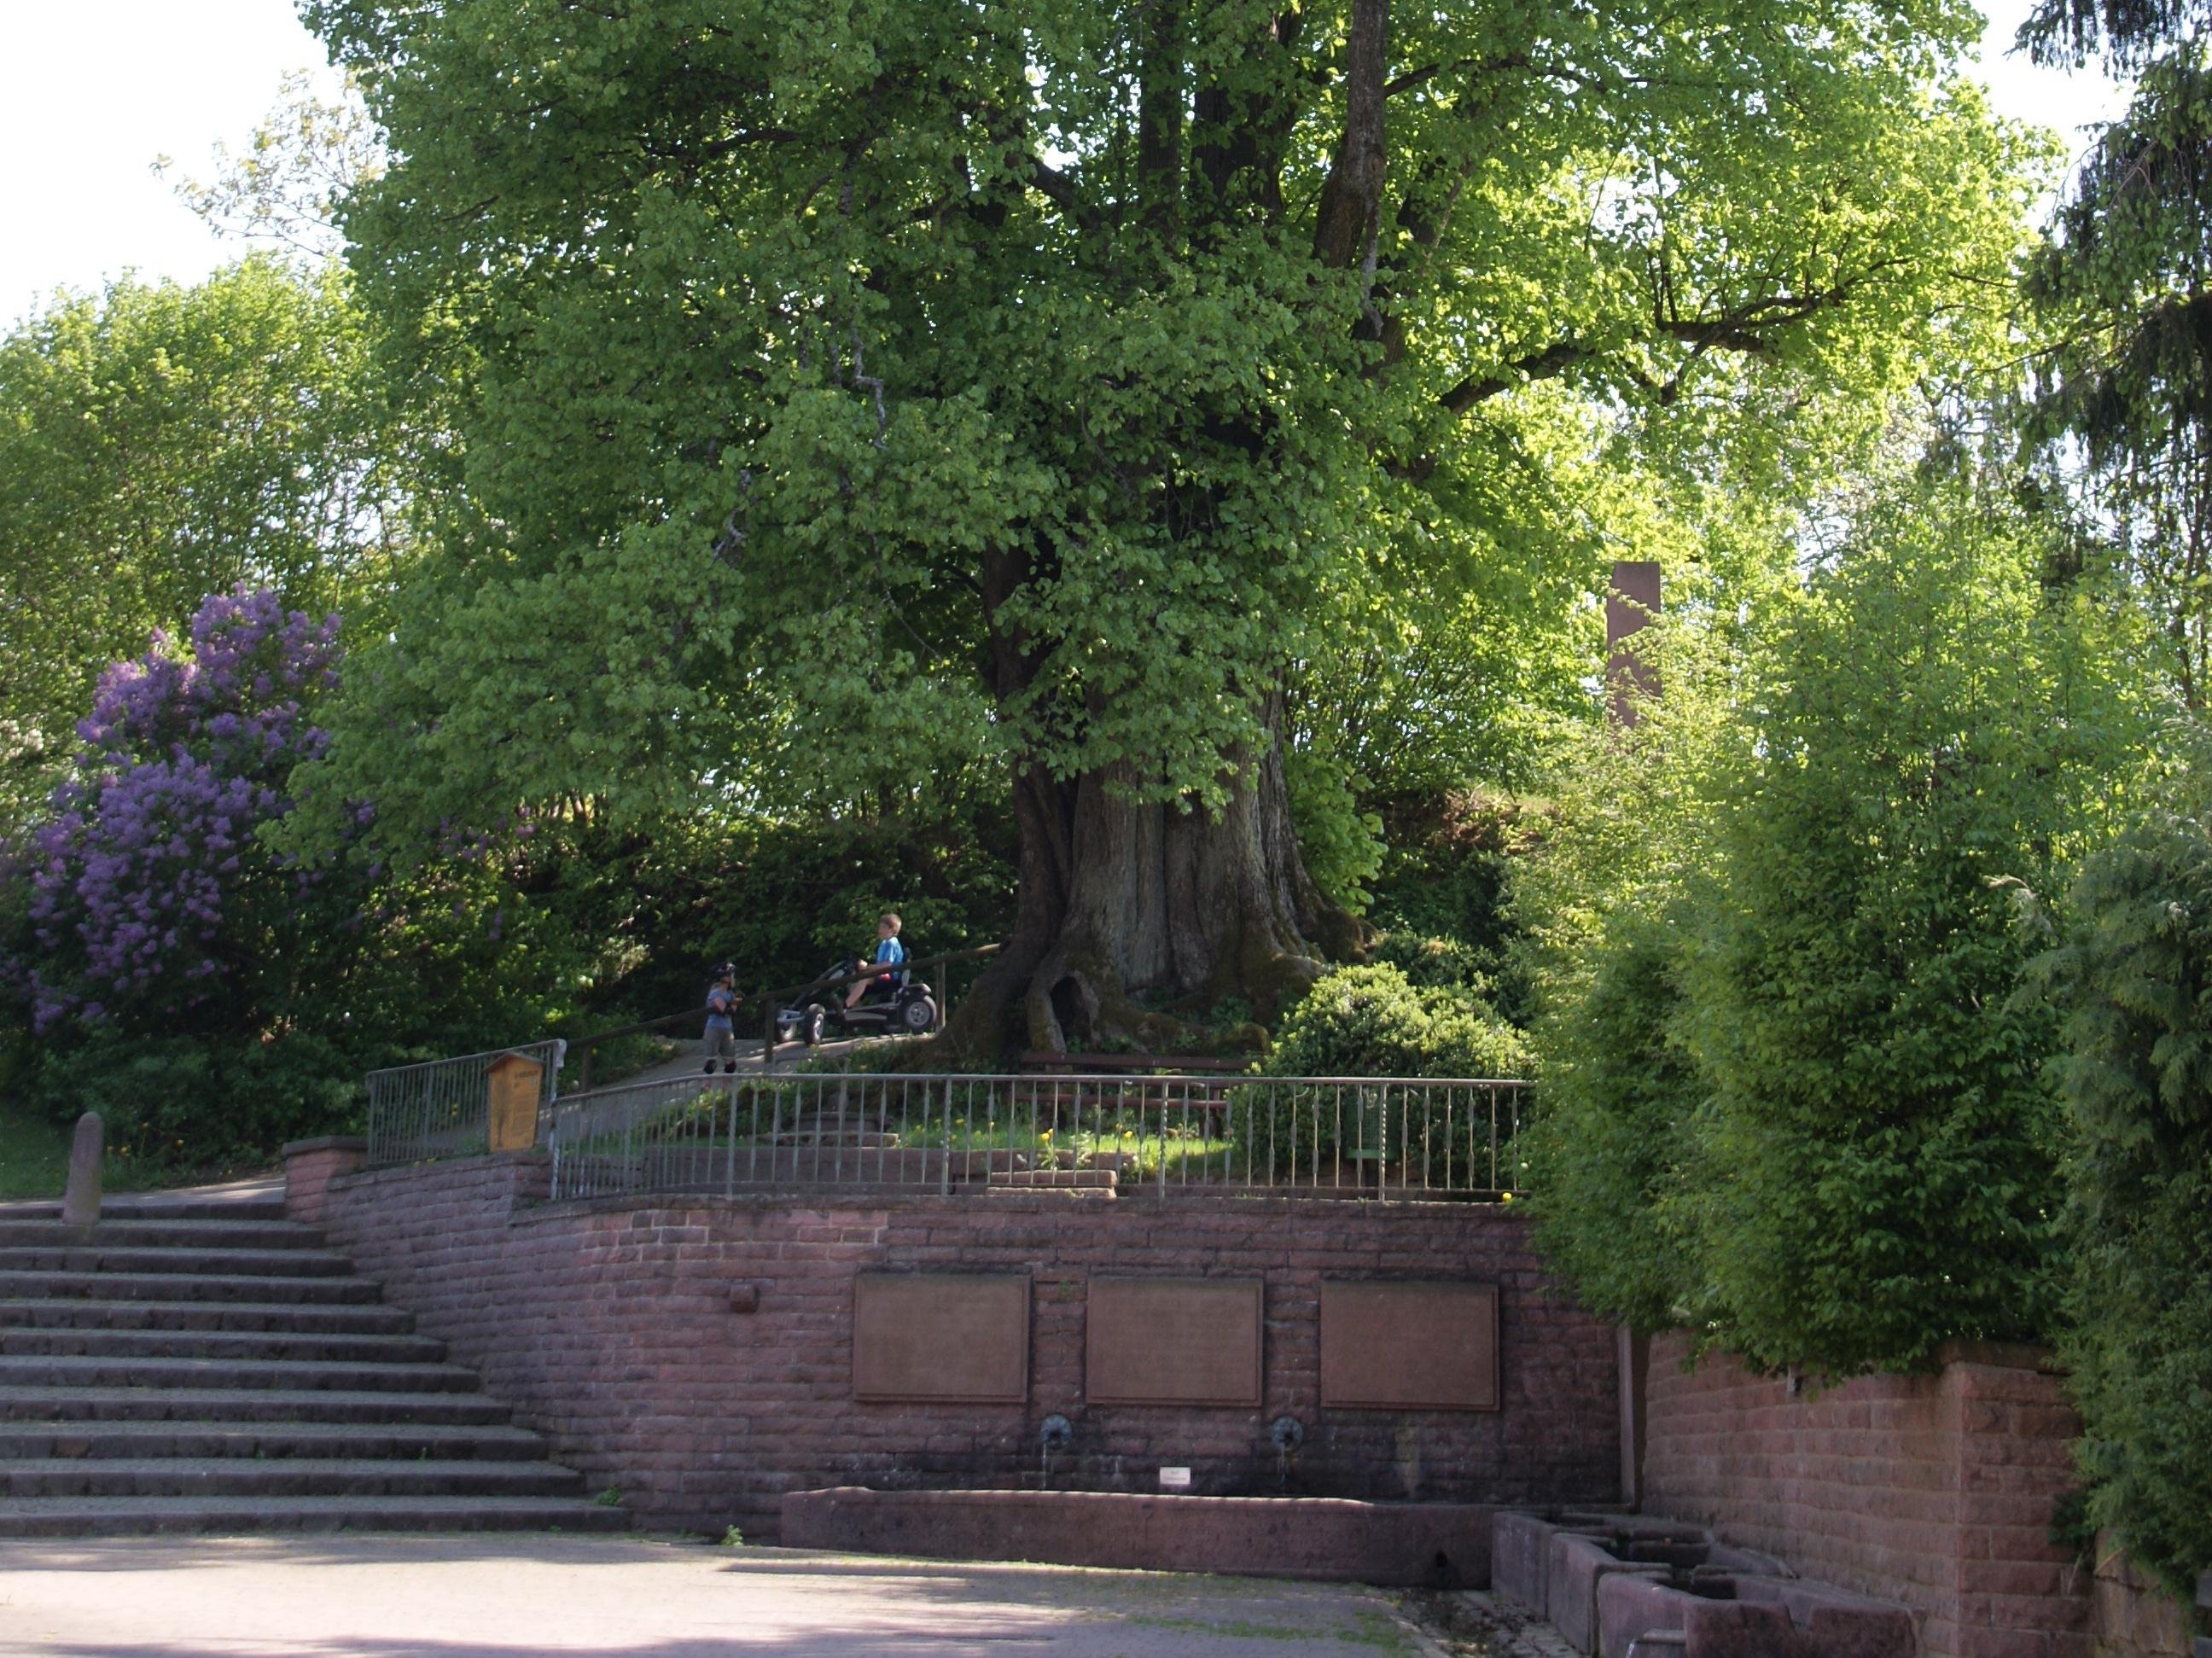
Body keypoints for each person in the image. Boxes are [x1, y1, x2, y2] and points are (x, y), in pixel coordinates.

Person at [845, 913, 906, 1009]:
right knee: (852, 986)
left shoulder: (892, 943)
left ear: (891, 929)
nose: (879, 930)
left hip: (890, 979)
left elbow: (887, 965)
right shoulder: (884, 943)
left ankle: (845, 1006)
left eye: (883, 927)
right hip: (882, 975)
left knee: (865, 979)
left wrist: (867, 967)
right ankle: (857, 1012)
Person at [702, 964, 742, 1074]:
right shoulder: (715, 993)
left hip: (727, 1029)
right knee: (710, 1065)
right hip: (714, 1028)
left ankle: (726, 1089)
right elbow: (726, 1012)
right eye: (731, 975)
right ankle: (706, 1089)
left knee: (730, 1065)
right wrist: (735, 1002)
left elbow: (733, 1010)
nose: (733, 978)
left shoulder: (730, 993)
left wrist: (735, 1001)